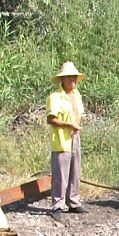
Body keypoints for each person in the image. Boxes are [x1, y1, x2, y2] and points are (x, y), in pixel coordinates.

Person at [47, 61, 86, 221]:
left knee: (75, 170)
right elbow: (51, 119)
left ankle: (73, 202)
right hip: (62, 138)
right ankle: (57, 204)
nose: (73, 80)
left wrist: (75, 126)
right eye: (69, 77)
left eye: (74, 77)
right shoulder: (55, 97)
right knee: (61, 173)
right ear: (62, 79)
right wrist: (69, 125)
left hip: (74, 136)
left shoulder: (77, 95)